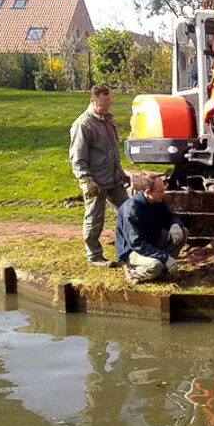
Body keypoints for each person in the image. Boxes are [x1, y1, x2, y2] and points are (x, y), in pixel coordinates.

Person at [69, 85, 130, 268]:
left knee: (128, 212)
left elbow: (112, 150)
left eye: (109, 102)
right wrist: (86, 180)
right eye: (104, 104)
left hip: (113, 178)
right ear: (93, 101)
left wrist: (120, 171)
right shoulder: (83, 124)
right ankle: (94, 256)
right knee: (95, 218)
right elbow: (77, 157)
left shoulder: (108, 120)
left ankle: (131, 248)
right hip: (96, 181)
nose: (108, 107)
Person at [115, 173, 189, 284]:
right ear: (148, 192)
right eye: (160, 191)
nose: (163, 194)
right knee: (155, 266)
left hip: (151, 241)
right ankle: (133, 272)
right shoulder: (131, 210)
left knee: (183, 232)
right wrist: (164, 257)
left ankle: (165, 270)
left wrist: (175, 224)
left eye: (163, 189)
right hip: (133, 250)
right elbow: (137, 244)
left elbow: (170, 216)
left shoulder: (157, 200)